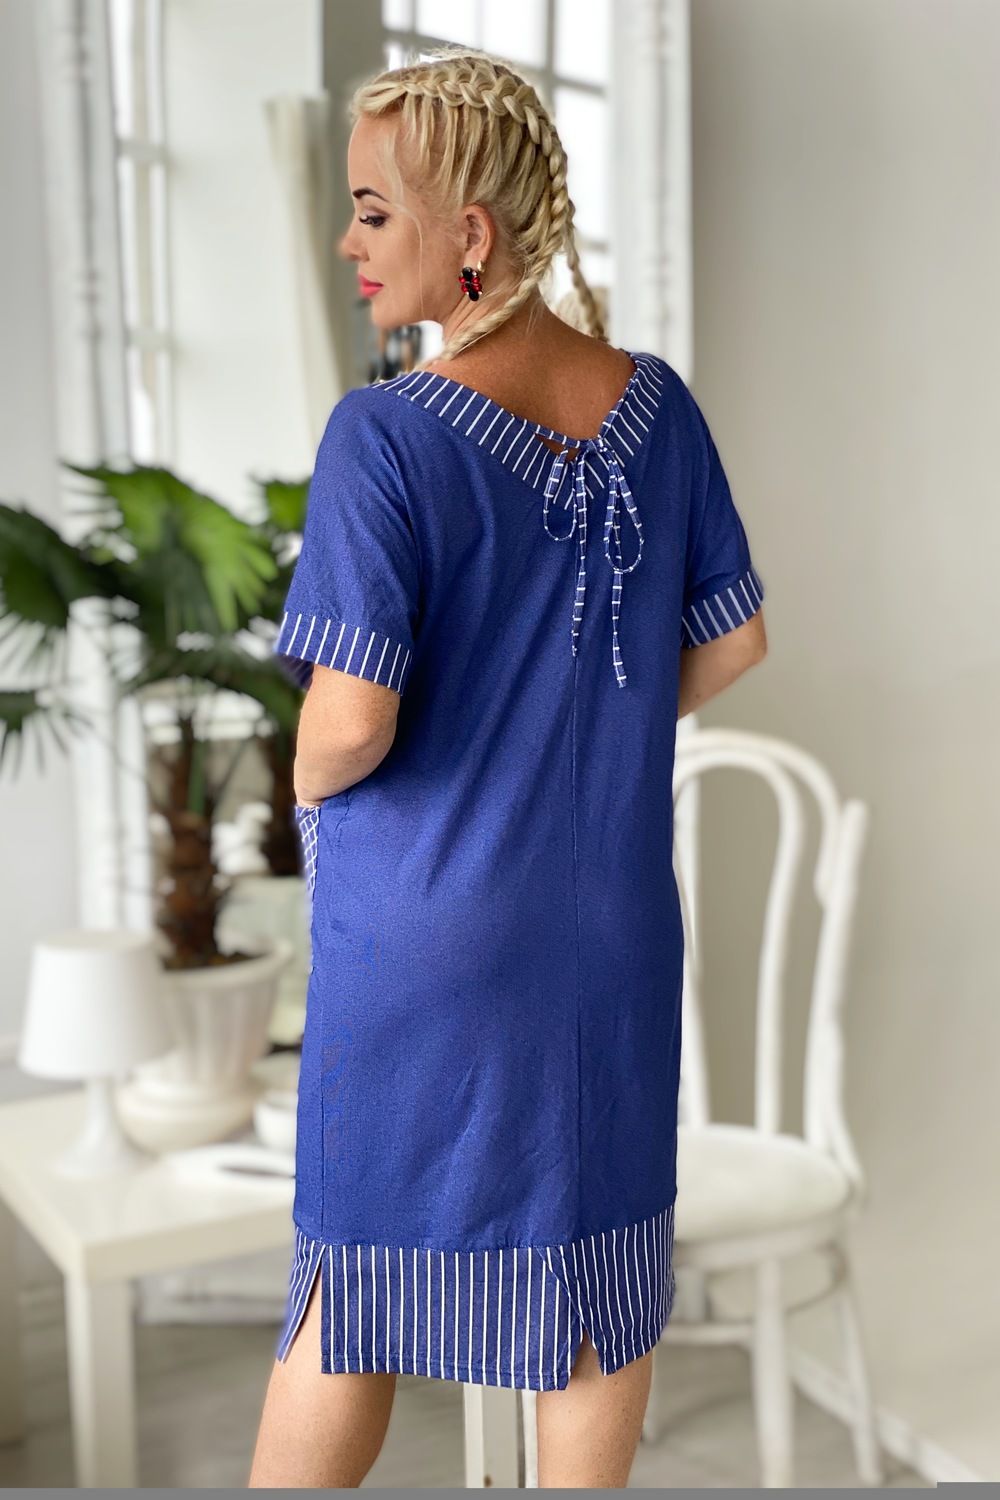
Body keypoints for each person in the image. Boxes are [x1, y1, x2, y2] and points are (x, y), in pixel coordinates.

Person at [249, 44, 767, 1490]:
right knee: (599, 1288)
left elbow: (352, 718)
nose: (348, 242)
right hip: (610, 938)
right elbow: (735, 642)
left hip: (429, 931)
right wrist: (591, 730)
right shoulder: (658, 407)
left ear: (467, 235)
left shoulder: (384, 437)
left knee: (353, 1292)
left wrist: (303, 784)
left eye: (372, 211)